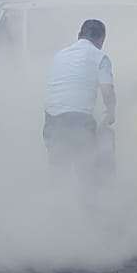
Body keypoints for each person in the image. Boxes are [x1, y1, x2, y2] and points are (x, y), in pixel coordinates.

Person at [42, 19, 116, 168]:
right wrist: (111, 114)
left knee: (58, 168)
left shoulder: (60, 55)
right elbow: (107, 91)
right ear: (102, 39)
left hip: (51, 119)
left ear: (79, 35)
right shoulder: (100, 57)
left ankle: (53, 189)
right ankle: (91, 188)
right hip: (79, 120)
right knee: (87, 167)